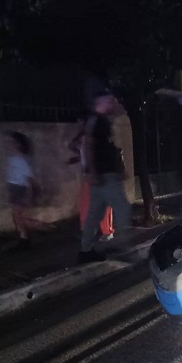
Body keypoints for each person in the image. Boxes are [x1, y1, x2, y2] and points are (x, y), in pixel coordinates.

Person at [78, 90, 132, 264]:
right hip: (104, 176)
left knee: (94, 215)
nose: (113, 104)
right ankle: (123, 247)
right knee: (122, 208)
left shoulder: (101, 121)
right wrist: (93, 172)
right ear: (101, 102)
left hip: (103, 175)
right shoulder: (97, 121)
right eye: (110, 101)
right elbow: (88, 145)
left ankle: (85, 251)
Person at [68, 114, 114, 241]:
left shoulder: (97, 138)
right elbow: (72, 146)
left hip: (99, 175)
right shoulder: (84, 137)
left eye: (82, 122)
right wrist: (79, 156)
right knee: (85, 204)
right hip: (88, 176)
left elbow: (98, 157)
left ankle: (107, 231)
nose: (80, 125)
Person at [6, 131, 49, 248]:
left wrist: (28, 195)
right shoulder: (14, 158)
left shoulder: (21, 160)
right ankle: (24, 236)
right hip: (15, 188)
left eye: (11, 142)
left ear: (18, 145)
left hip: (21, 189)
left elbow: (29, 179)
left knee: (18, 216)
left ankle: (30, 233)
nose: (8, 144)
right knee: (17, 216)